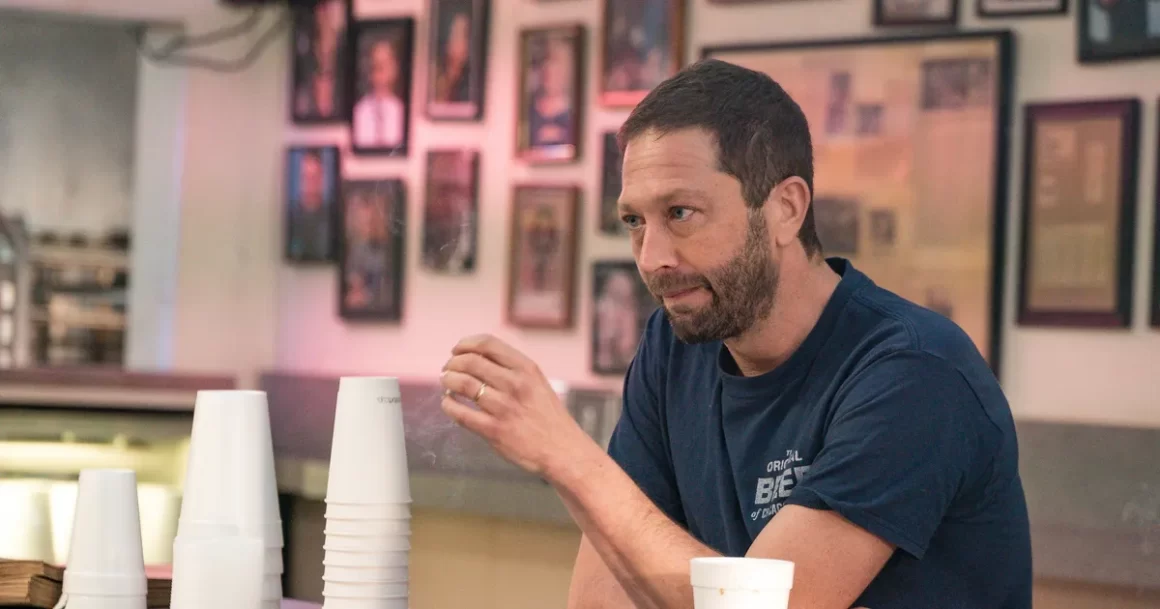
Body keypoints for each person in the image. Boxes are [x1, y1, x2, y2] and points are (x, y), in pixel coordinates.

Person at [437, 58, 1032, 609]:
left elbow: (767, 606)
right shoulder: (675, 344)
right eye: (635, 221)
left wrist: (567, 456)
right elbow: (601, 601)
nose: (652, 258)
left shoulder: (914, 371)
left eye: (681, 213)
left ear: (786, 209)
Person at [353, 38, 405, 149]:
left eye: (384, 64)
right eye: (376, 65)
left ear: (394, 69)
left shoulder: (402, 112)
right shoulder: (359, 112)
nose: (380, 71)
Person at [527, 35, 574, 148]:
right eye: (544, 60)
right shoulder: (526, 111)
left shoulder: (574, 116)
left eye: (556, 61)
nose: (547, 67)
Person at [288, 151, 331, 261]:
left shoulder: (331, 218)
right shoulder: (291, 218)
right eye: (305, 177)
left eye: (314, 178)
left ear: (322, 179)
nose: (309, 184)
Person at [434, 10, 472, 104]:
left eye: (459, 35)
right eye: (452, 34)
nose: (453, 40)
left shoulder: (470, 87)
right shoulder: (435, 74)